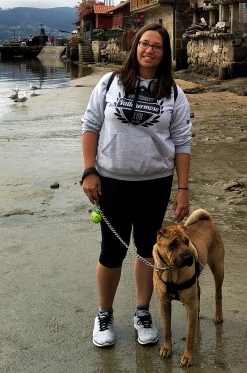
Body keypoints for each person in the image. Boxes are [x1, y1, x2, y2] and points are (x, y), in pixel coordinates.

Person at [80, 23, 192, 349]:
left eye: (156, 46)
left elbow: (182, 142)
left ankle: (142, 312)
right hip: (112, 182)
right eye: (144, 43)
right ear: (135, 47)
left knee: (147, 252)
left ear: (164, 53)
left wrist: (182, 190)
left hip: (154, 184)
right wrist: (90, 171)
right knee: (111, 252)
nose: (149, 50)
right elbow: (90, 127)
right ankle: (104, 314)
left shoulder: (173, 93)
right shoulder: (110, 83)